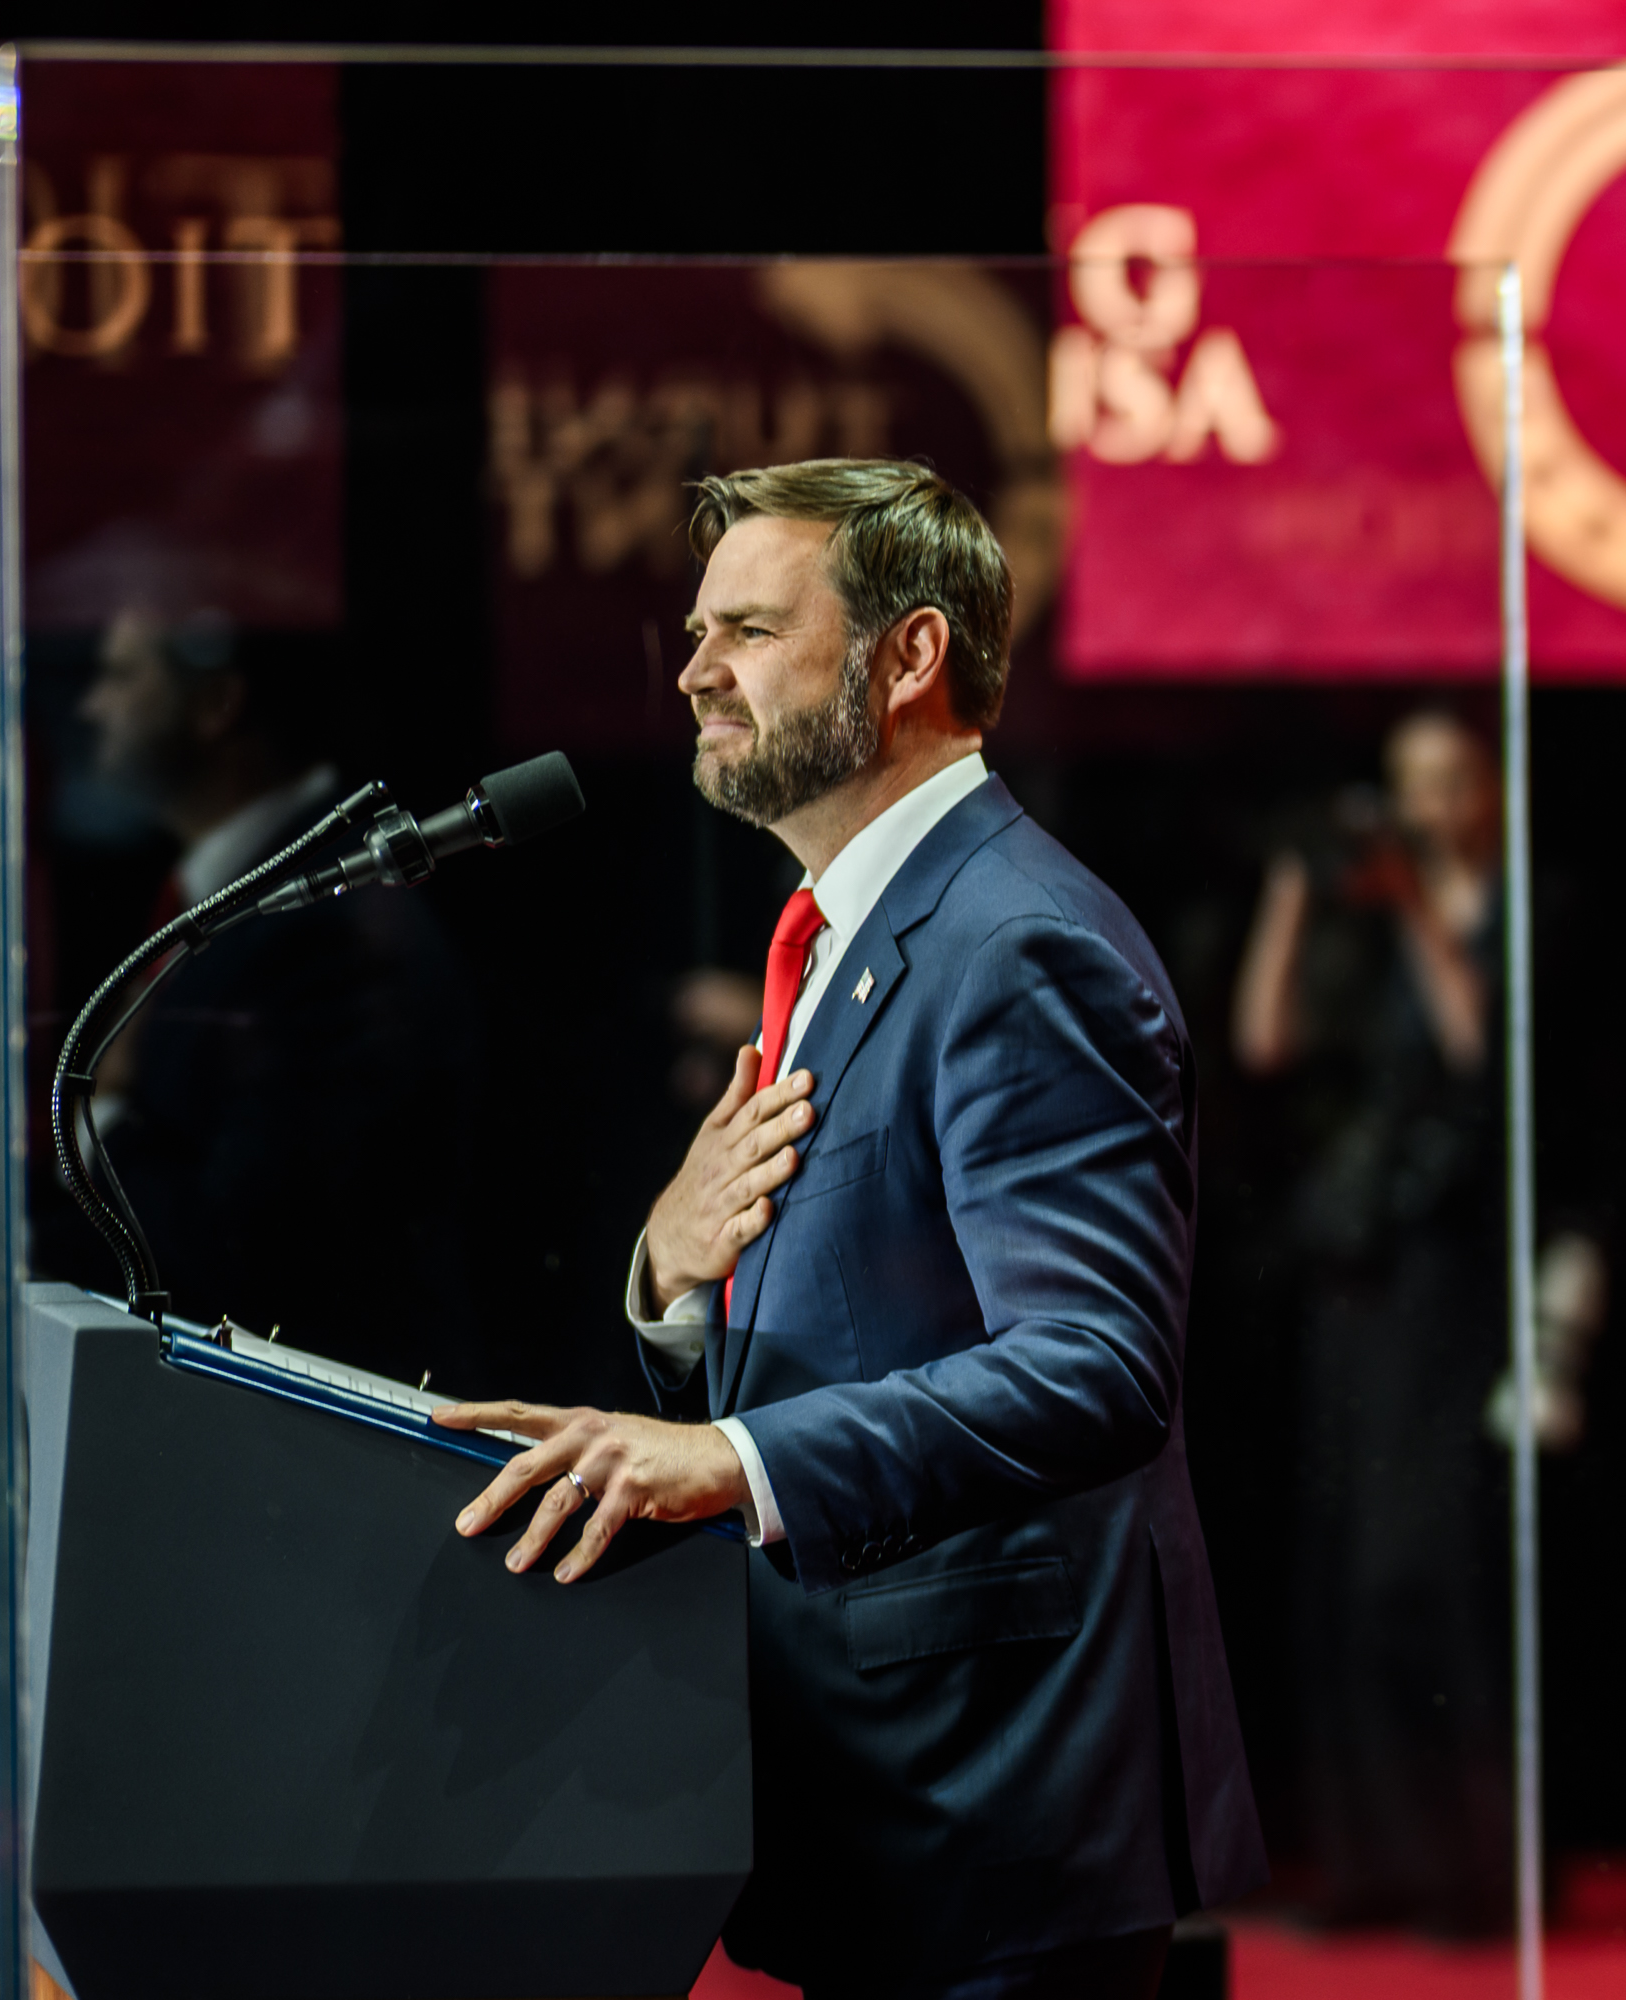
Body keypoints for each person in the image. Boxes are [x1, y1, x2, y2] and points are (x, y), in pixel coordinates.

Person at [435, 460, 1264, 2000]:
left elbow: (1096, 1365)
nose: (695, 673)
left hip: (999, 1806)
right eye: (699, 632)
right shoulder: (849, 932)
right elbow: (869, 1311)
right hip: (887, 1793)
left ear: (908, 656)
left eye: (749, 630)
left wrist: (729, 1459)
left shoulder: (1018, 943)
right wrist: (677, 1279)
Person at [1231, 709, 1599, 1937]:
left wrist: (1416, 913)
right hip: (1358, 1267)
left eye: (1450, 781)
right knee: (1344, 1570)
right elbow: (1266, 1039)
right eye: (1410, 783)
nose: (1428, 806)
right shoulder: (1365, 913)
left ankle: (1485, 1866)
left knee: (1430, 1568)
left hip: (1459, 1273)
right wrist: (1297, 893)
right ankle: (1376, 1861)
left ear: (1494, 786)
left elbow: (1486, 1052)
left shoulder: (1529, 907)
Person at [60, 606, 478, 1385]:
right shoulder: (224, 891)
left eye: (121, 675)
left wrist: (101, 1116)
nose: (92, 706)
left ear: (217, 704)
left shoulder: (337, 924)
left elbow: (249, 1250)